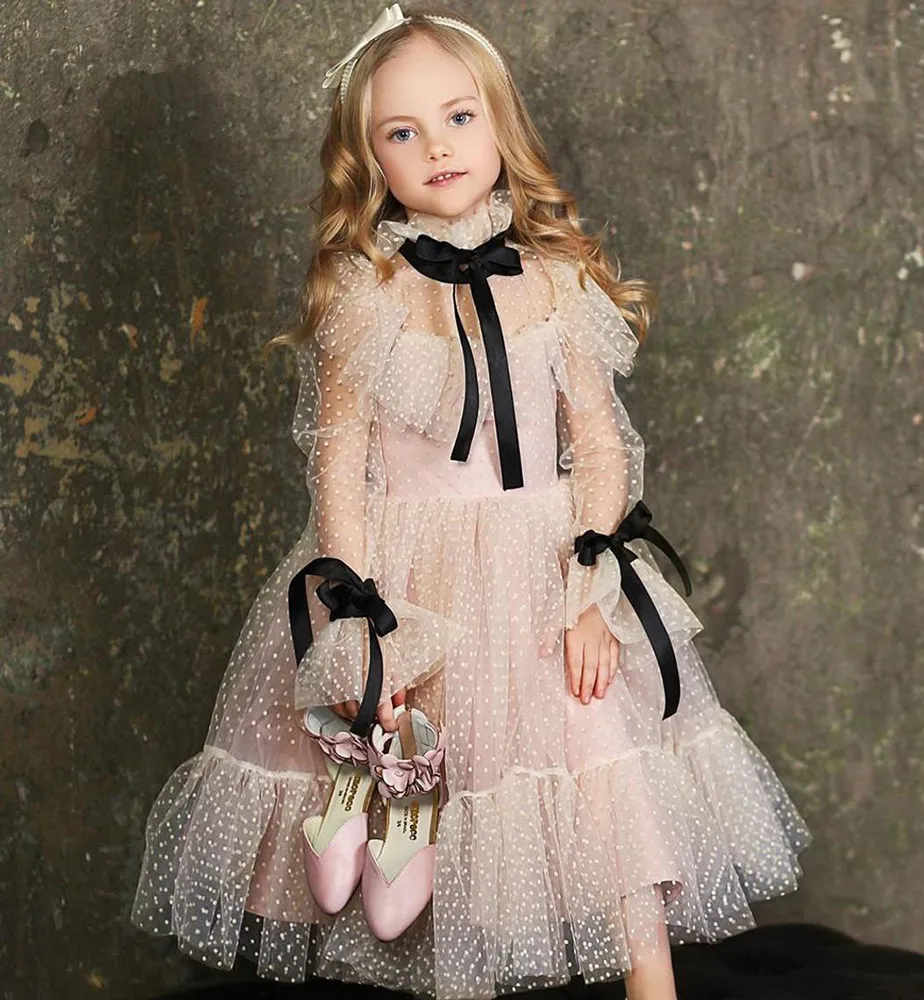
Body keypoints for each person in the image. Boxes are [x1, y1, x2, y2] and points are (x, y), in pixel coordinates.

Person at [131, 5, 811, 999]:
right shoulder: (362, 291)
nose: (438, 148)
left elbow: (600, 444)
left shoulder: (556, 277)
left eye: (458, 118)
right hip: (409, 570)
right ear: (369, 159)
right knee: (430, 783)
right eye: (401, 132)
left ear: (499, 123)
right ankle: (457, 968)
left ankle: (651, 983)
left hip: (542, 560)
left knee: (600, 758)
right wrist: (360, 615)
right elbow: (339, 462)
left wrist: (591, 587)